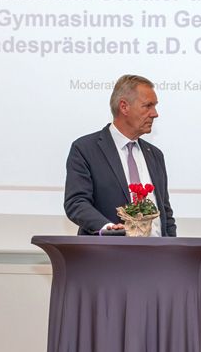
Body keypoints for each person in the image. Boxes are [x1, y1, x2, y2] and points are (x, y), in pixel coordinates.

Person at [63, 74, 176, 236]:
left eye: (155, 106)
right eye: (148, 106)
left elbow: (165, 213)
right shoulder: (85, 149)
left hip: (157, 250)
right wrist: (108, 228)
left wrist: (172, 246)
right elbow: (76, 202)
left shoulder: (155, 155)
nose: (155, 113)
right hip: (107, 249)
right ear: (124, 107)